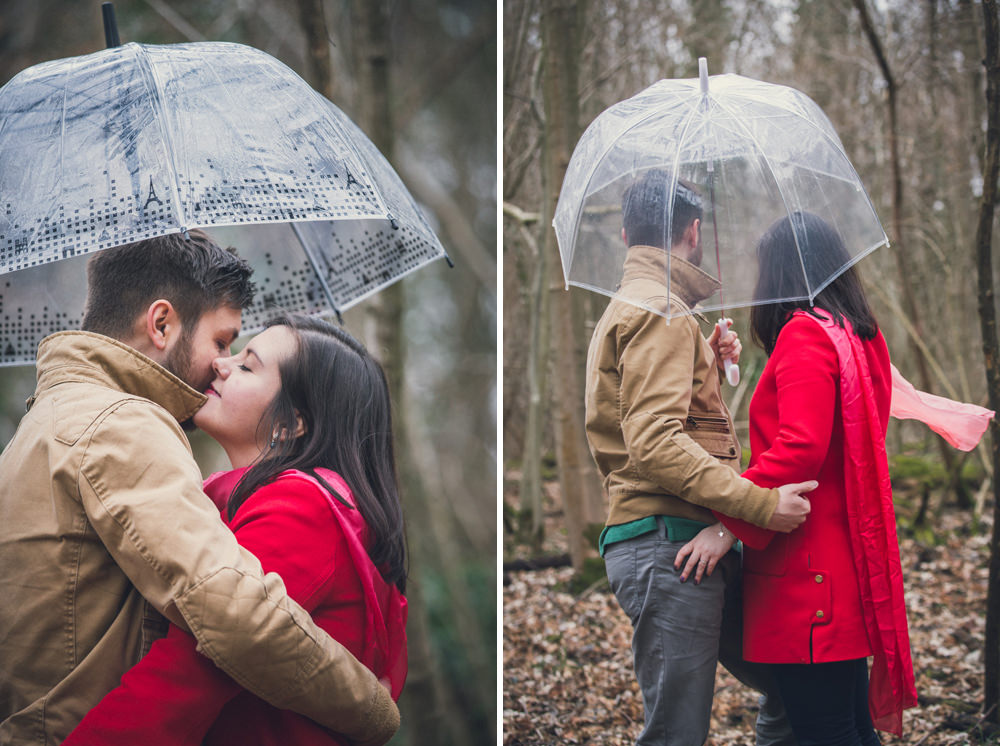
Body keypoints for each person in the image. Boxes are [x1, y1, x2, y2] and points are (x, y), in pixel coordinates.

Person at [0, 233, 398, 746]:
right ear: (161, 323)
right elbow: (234, 617)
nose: (220, 364)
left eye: (238, 354)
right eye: (222, 342)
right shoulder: (121, 423)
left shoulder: (44, 422)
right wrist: (373, 709)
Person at [62, 314, 407, 746]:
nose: (221, 365)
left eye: (246, 366)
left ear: (289, 424)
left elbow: (191, 673)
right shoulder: (245, 499)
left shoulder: (303, 509)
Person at [585, 168, 815, 746]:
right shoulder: (661, 312)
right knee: (676, 734)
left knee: (797, 687)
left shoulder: (649, 310)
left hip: (685, 541)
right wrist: (756, 505)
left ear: (624, 236)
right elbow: (655, 442)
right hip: (668, 545)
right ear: (692, 231)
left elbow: (641, 413)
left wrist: (703, 364)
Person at [693, 211, 917, 743]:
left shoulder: (804, 336)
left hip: (805, 578)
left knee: (825, 730)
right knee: (851, 727)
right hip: (845, 570)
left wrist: (727, 523)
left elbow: (800, 448)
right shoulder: (861, 337)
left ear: (780, 272)